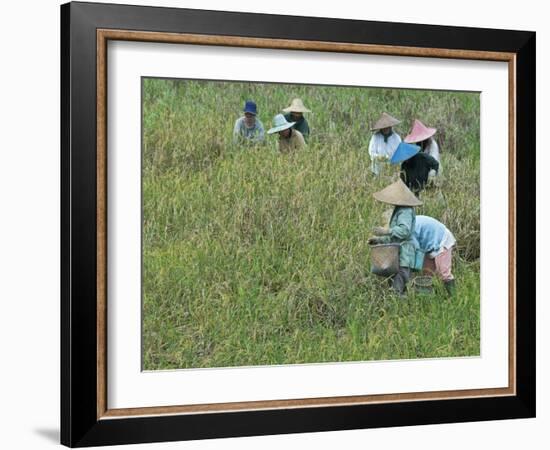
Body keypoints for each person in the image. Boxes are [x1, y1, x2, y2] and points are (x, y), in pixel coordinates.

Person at [368, 179, 422, 295]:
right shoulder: (399, 210)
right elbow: (395, 237)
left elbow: (404, 232)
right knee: (396, 287)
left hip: (404, 256)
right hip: (397, 255)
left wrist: (386, 231)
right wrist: (378, 240)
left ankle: (400, 310)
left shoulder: (405, 211)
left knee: (397, 289)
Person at [414, 215, 456, 295]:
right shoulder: (408, 223)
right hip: (429, 244)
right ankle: (429, 297)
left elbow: (414, 248)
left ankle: (452, 297)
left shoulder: (408, 227)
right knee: (427, 273)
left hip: (441, 239)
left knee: (444, 272)